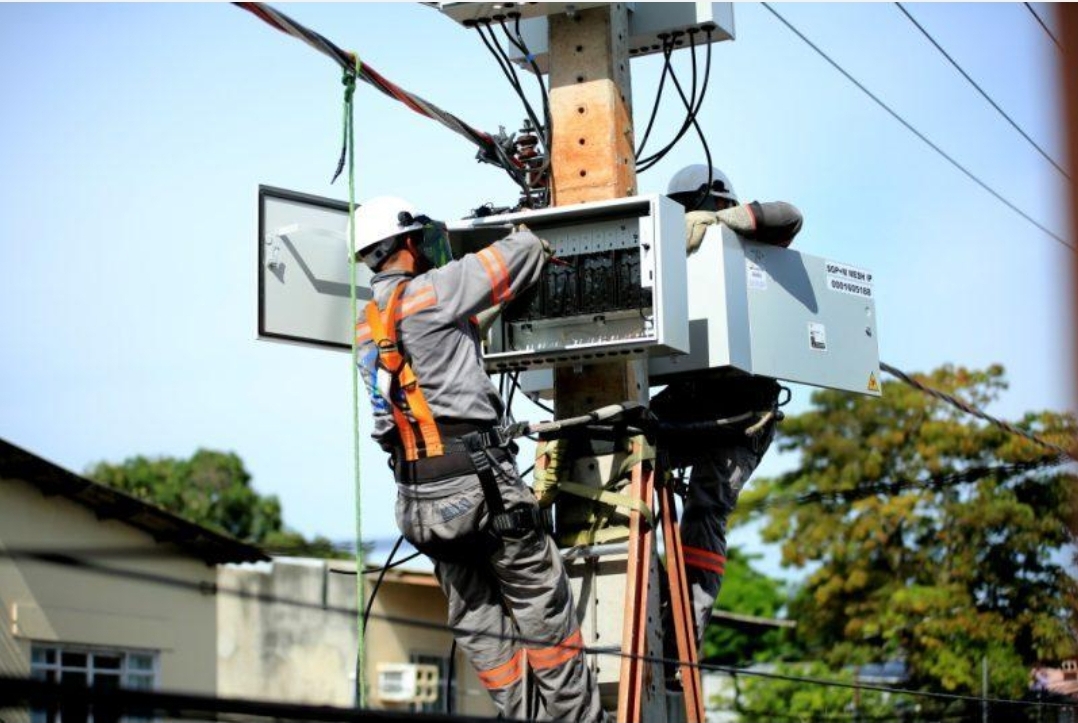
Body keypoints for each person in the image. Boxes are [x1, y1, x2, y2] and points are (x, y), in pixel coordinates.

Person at [352, 196, 608, 723]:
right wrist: (526, 219)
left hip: (418, 502)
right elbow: (525, 249)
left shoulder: (366, 324)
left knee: (478, 623)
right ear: (406, 243)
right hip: (479, 485)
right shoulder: (437, 290)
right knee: (543, 610)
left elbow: (408, 389)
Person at [652, 164, 803, 657]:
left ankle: (684, 638)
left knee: (705, 508)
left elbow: (789, 215)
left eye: (703, 209)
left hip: (742, 413)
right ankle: (638, 598)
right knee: (616, 457)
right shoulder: (669, 253)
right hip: (690, 401)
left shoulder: (752, 248)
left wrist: (722, 224)